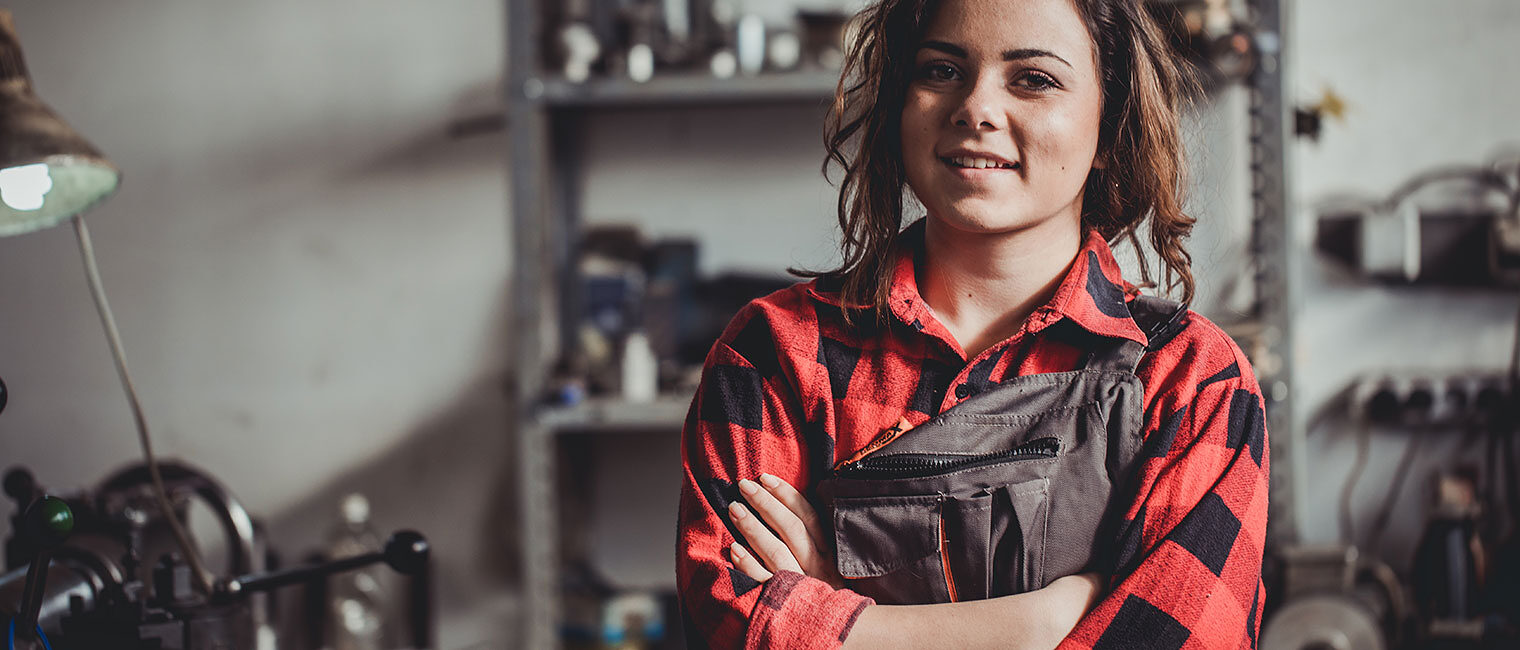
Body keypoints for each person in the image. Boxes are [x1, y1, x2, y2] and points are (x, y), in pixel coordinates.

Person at [674, 0, 1269, 648]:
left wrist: (844, 620)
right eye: (942, 71)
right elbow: (733, 625)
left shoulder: (1191, 383)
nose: (976, 108)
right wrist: (1042, 623)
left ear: (1109, 123)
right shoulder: (775, 355)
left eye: (1033, 78)